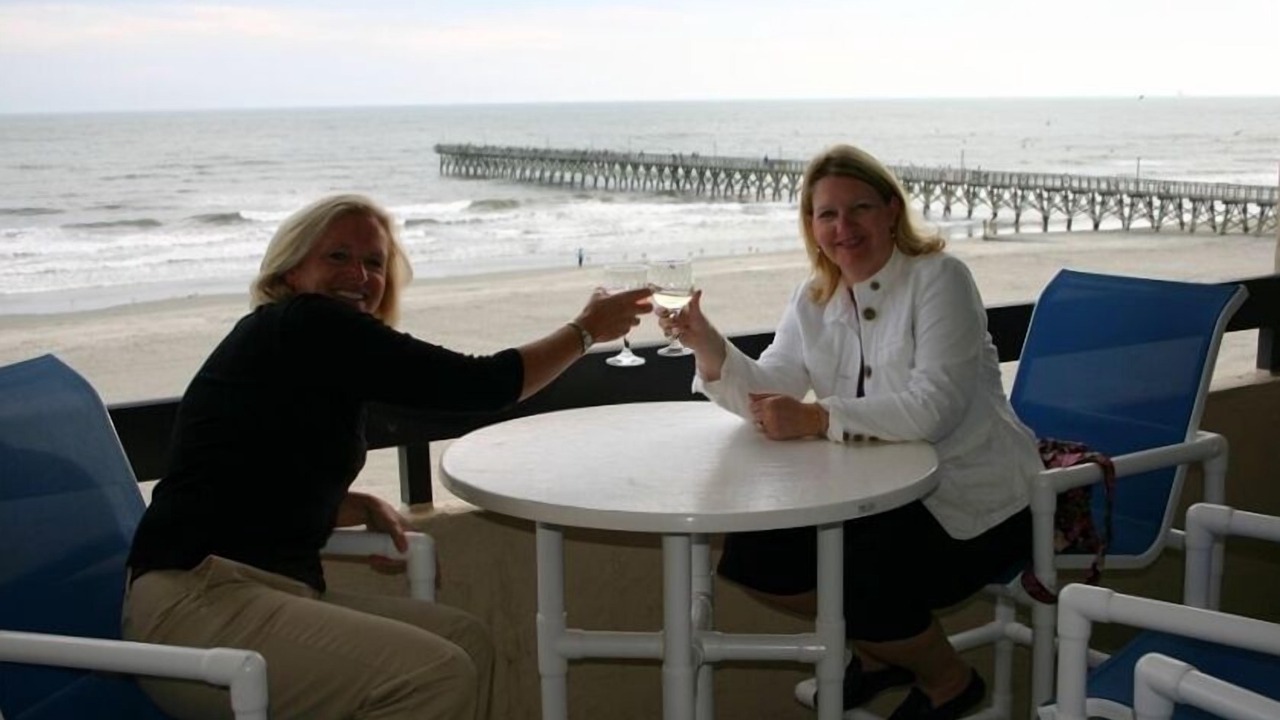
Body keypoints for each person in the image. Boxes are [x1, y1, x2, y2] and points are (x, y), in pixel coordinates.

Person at [123, 193, 652, 720]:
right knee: (435, 673)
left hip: (258, 593)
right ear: (290, 272)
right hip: (194, 607)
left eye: (374, 263)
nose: (359, 274)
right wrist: (586, 330)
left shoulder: (299, 349)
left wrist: (350, 505)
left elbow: (250, 472)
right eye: (338, 256)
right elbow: (481, 384)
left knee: (465, 641)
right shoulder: (305, 323)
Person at [658, 145, 1043, 720]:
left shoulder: (940, 279)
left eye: (859, 208)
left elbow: (934, 408)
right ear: (811, 227)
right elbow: (772, 387)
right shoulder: (813, 297)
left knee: (860, 574)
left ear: (891, 211)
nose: (844, 227)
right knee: (755, 555)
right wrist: (705, 341)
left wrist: (819, 417)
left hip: (975, 503)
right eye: (827, 215)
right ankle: (882, 654)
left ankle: (949, 683)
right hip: (877, 499)